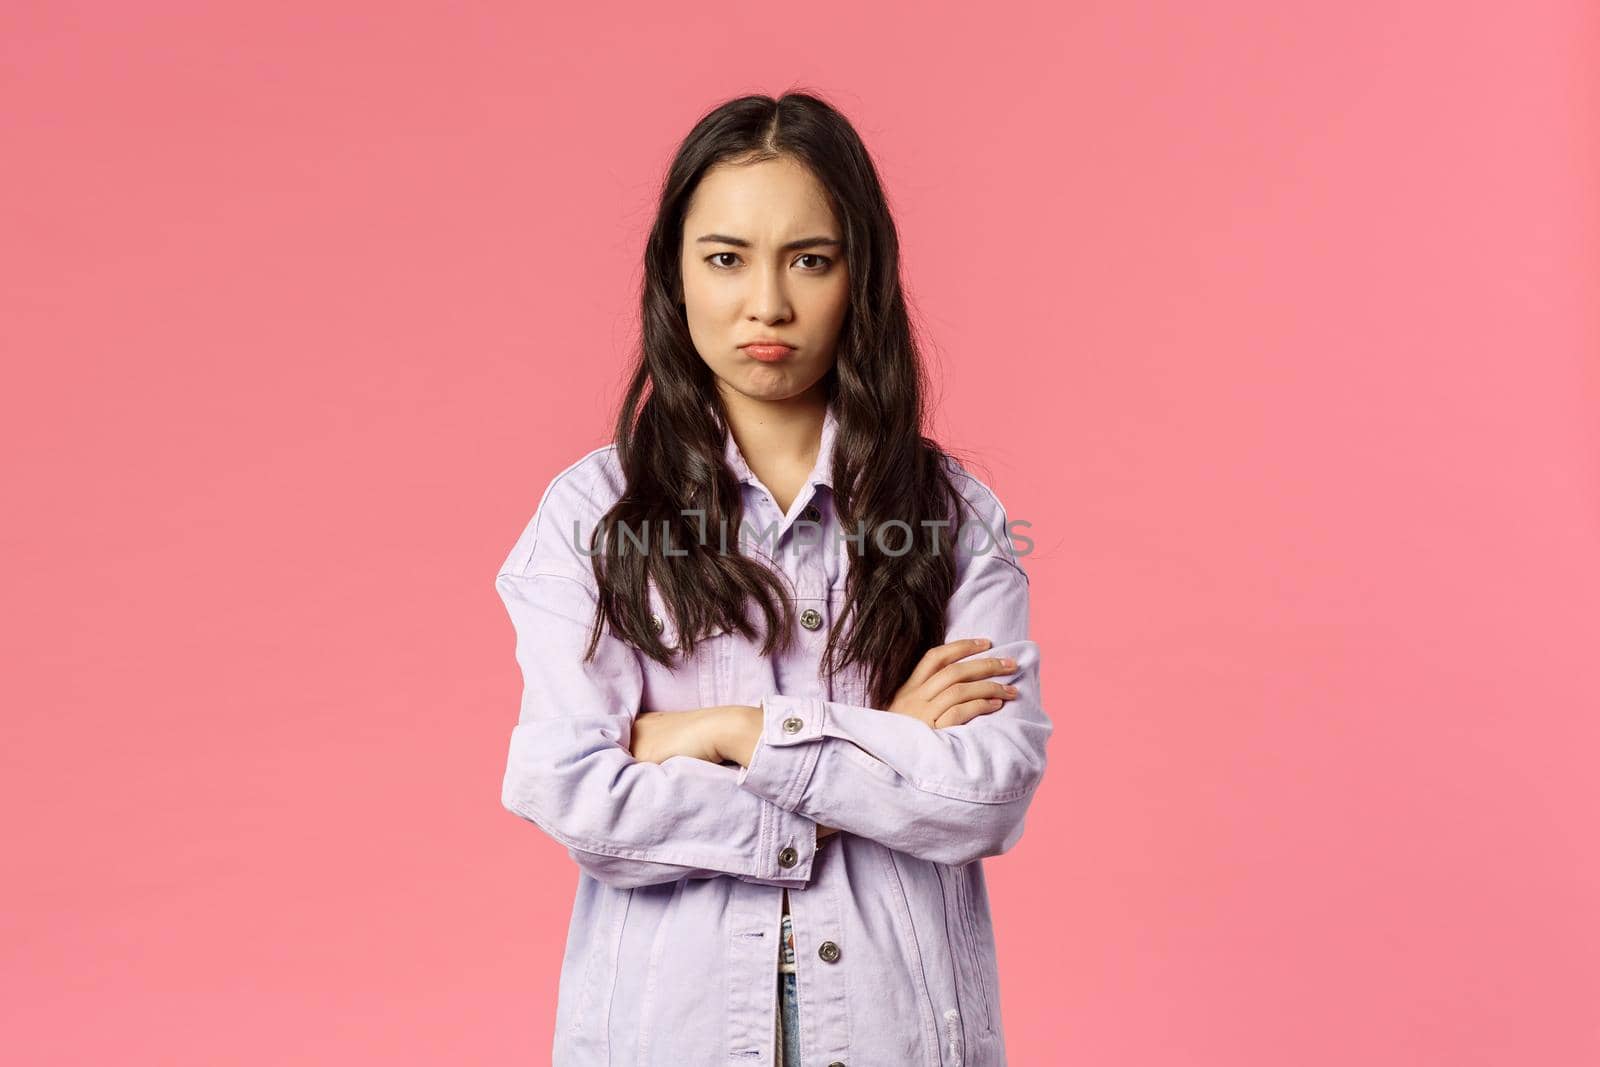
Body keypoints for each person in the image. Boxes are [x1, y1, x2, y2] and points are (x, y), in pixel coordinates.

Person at [495, 90, 1052, 1067]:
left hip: (898, 1029)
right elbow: (577, 794)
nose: (768, 304)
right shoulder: (590, 515)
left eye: (809, 259)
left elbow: (985, 792)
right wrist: (880, 752)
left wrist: (730, 733)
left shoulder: (952, 512)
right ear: (674, 274)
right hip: (670, 1032)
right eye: (725, 258)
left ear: (858, 275)